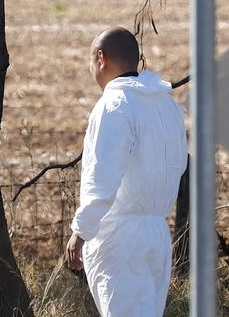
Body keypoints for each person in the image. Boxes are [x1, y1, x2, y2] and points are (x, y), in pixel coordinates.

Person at [64, 27, 188, 317]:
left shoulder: (113, 106)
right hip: (157, 233)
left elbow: (102, 177)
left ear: (101, 58)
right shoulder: (167, 106)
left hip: (119, 237)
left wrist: (81, 231)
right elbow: (179, 164)